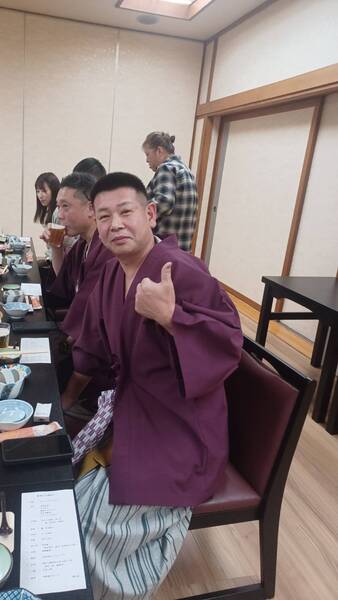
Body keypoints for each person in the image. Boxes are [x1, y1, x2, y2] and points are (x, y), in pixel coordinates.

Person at [63, 172, 242, 599]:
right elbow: (92, 343)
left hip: (180, 426)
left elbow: (229, 344)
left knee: (92, 525)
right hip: (131, 407)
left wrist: (171, 317)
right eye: (104, 216)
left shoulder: (181, 271)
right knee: (62, 490)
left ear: (150, 214)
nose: (115, 224)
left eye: (126, 212)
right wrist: (65, 400)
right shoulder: (112, 273)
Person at [42, 172, 116, 424]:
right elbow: (64, 284)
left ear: (92, 209)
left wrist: (67, 398)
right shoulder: (84, 245)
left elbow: (93, 334)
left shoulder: (107, 252)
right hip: (81, 347)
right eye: (58, 206)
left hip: (101, 372)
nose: (59, 214)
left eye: (66, 206)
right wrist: (56, 247)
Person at [143, 131, 198, 252]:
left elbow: (163, 202)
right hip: (182, 249)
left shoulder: (166, 168)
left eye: (148, 154)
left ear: (159, 151)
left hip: (164, 248)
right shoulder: (186, 170)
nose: (147, 160)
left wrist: (138, 215)